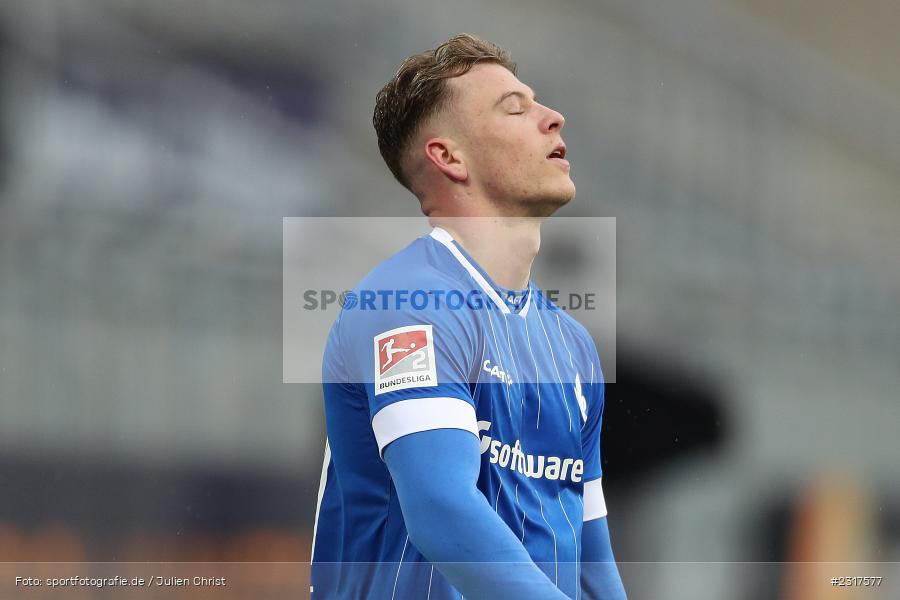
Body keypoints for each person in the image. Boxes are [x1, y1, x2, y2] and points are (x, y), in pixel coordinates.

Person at [311, 33, 626, 599]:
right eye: (516, 108)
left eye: (541, 103)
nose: (554, 118)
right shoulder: (409, 304)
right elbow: (442, 510)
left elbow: (590, 558)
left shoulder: (572, 345)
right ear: (448, 157)